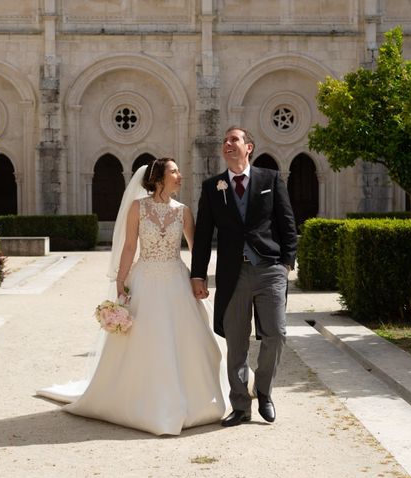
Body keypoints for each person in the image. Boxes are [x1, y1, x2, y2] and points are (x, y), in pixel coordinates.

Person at [37, 158, 227, 436]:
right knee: (146, 338)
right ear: (159, 178)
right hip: (145, 278)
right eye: (174, 171)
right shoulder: (138, 207)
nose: (180, 175)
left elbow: (196, 247)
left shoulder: (183, 211)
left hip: (176, 279)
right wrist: (121, 282)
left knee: (186, 337)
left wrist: (198, 277)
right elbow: (128, 247)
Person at [190, 126, 298, 427]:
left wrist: (286, 263)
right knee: (236, 342)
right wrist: (198, 274)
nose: (227, 144)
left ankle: (263, 391)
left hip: (269, 269)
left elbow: (287, 223)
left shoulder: (270, 179)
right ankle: (240, 405)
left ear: (248, 147)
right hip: (232, 274)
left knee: (276, 333)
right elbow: (202, 236)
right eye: (225, 141)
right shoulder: (213, 187)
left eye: (234, 140)